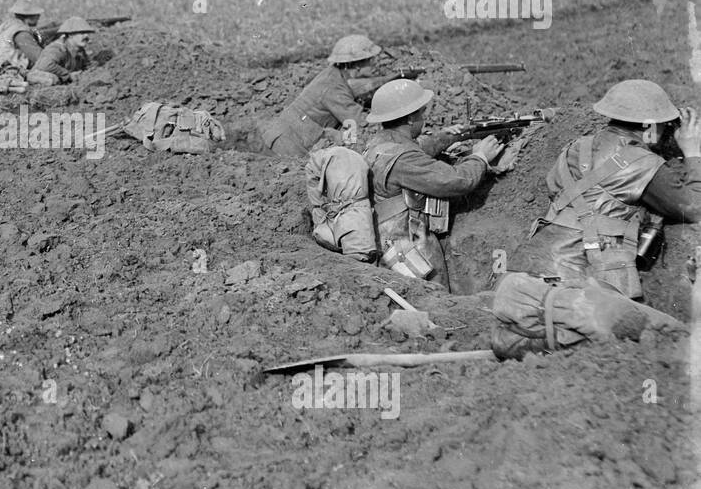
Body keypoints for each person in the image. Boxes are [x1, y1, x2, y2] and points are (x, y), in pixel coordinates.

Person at [506, 80, 701, 300]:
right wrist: (693, 153)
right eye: (663, 124)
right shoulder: (642, 163)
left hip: (529, 263)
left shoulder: (577, 146)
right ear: (648, 127)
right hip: (580, 281)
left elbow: (553, 186)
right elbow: (694, 208)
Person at [363, 77, 503, 289]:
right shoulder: (404, 160)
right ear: (410, 118)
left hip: (382, 234)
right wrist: (480, 157)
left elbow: (416, 147)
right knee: (434, 294)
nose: (423, 117)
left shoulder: (380, 143)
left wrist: (448, 137)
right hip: (404, 243)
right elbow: (457, 181)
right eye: (421, 112)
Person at [247, 34, 382, 157]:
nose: (374, 63)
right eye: (370, 60)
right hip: (286, 145)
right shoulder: (333, 87)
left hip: (286, 137)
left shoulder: (334, 75)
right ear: (357, 65)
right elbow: (361, 122)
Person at [30, 16, 95, 84]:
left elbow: (86, 65)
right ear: (70, 34)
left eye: (87, 33)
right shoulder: (57, 49)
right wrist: (68, 75)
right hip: (40, 79)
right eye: (82, 33)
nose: (86, 36)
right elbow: (45, 65)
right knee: (53, 79)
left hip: (63, 81)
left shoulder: (79, 50)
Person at [0, 0, 44, 69]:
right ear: (32, 16)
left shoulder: (7, 24)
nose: (39, 17)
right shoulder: (21, 33)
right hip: (5, 69)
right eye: (37, 14)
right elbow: (39, 58)